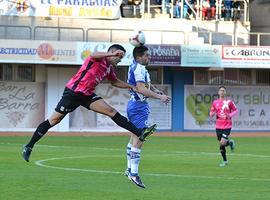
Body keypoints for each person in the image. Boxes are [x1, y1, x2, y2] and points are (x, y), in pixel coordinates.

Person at [22, 44, 157, 162]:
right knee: (54, 120)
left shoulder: (109, 68)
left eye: (121, 58)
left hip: (87, 95)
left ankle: (140, 132)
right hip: (73, 93)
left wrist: (131, 87)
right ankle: (29, 146)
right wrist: (111, 53)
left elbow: (114, 82)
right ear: (112, 53)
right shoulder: (97, 58)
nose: (119, 60)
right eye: (118, 57)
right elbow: (93, 54)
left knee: (111, 112)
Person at [124, 46, 171, 188]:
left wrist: (158, 92)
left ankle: (128, 170)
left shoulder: (137, 67)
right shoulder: (138, 68)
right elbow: (141, 88)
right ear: (139, 57)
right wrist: (159, 97)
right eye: (146, 55)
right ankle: (134, 174)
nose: (148, 57)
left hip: (136, 105)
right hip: (138, 107)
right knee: (140, 138)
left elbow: (146, 86)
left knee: (134, 138)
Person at [209, 86, 238, 167]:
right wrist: (211, 114)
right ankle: (225, 160)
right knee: (221, 144)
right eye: (220, 90)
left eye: (223, 90)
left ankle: (225, 161)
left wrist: (230, 115)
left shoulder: (229, 102)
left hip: (227, 125)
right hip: (218, 125)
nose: (222, 92)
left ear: (225, 92)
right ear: (218, 92)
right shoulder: (215, 102)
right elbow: (211, 112)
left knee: (222, 143)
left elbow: (236, 110)